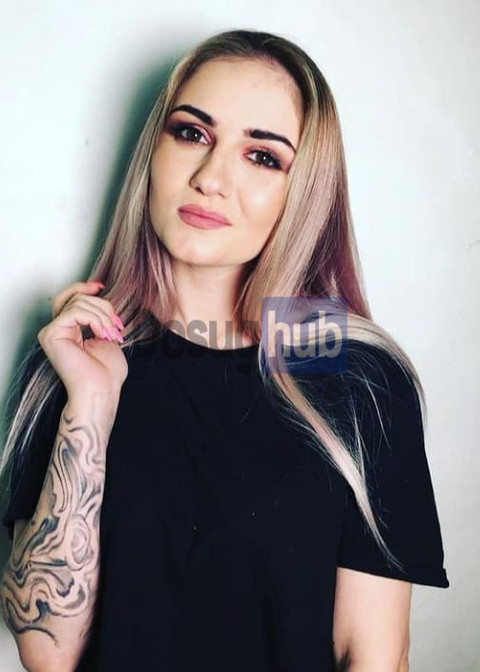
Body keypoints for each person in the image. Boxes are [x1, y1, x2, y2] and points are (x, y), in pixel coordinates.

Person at [0, 28, 448, 672]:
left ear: (303, 190)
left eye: (262, 156)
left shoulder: (348, 368)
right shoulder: (79, 351)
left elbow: (375, 654)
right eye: (192, 133)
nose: (211, 178)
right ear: (153, 153)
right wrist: (91, 403)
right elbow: (47, 651)